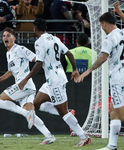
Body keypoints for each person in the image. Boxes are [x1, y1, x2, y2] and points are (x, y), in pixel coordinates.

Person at [18, 18, 91, 147]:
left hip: (55, 80)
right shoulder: (55, 38)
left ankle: (84, 136)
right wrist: (74, 69)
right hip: (52, 79)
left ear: (35, 28)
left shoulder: (40, 42)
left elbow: (39, 64)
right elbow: (69, 54)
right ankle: (68, 112)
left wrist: (26, 78)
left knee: (63, 113)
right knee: (37, 103)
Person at [0, 27, 56, 145]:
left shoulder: (20, 49)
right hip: (26, 87)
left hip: (24, 85)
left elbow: (37, 59)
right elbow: (11, 71)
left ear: (14, 38)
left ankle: (28, 113)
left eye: (8, 35)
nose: (5, 38)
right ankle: (49, 136)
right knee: (30, 112)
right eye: (3, 36)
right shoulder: (8, 53)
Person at [76, 7, 124, 150]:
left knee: (121, 114)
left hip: (118, 78)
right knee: (113, 111)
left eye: (100, 25)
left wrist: (87, 71)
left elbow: (103, 57)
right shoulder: (122, 32)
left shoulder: (109, 38)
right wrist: (120, 13)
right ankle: (111, 145)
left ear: (103, 23)